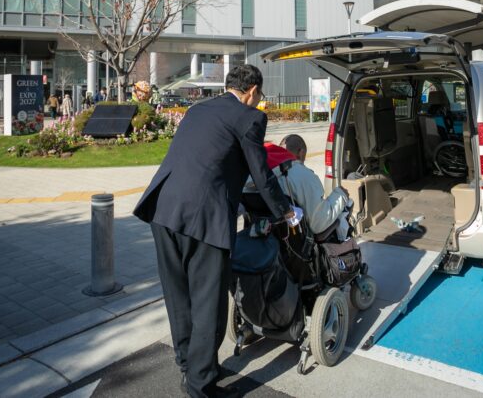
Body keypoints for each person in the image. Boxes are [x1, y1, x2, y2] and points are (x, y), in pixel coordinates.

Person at [133, 65, 295, 398]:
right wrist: (285, 211)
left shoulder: (198, 109)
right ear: (251, 91)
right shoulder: (250, 117)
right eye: (259, 95)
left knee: (179, 298)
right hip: (204, 217)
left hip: (164, 210)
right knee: (209, 304)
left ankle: (188, 366)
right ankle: (201, 385)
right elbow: (262, 175)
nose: (259, 102)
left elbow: (205, 157)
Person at [258, 135, 349, 238]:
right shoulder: (302, 175)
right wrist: (341, 195)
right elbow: (318, 224)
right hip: (293, 242)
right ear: (301, 153)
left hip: (262, 234)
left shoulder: (258, 172)